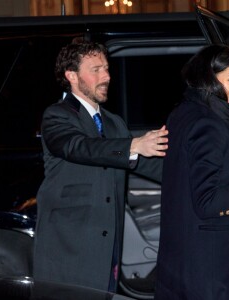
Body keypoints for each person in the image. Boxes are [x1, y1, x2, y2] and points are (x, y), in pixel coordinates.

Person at [33, 40, 168, 292]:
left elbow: (148, 165)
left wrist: (204, 177)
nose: (106, 76)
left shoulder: (114, 122)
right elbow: (78, 146)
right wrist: (132, 145)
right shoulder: (57, 115)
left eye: (106, 68)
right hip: (68, 245)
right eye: (96, 69)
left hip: (105, 247)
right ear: (72, 76)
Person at [154, 44, 229, 300]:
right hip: (218, 269)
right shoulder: (208, 124)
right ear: (208, 77)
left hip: (199, 262)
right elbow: (208, 202)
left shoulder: (188, 112)